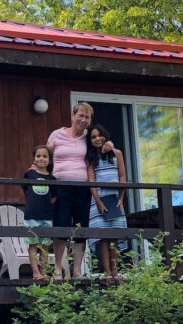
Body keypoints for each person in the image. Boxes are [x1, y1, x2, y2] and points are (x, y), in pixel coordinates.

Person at [46, 102, 95, 279]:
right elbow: (45, 156)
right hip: (61, 185)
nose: (83, 119)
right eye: (80, 115)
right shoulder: (56, 135)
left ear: (90, 120)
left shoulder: (88, 137)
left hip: (82, 187)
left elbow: (103, 142)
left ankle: (77, 271)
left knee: (80, 227)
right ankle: (58, 269)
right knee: (61, 225)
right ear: (72, 116)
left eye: (87, 116)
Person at [87, 125, 128, 279]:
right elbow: (92, 181)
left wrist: (121, 198)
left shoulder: (116, 153)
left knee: (114, 236)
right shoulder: (91, 159)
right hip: (98, 200)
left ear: (105, 136)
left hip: (115, 199)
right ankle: (107, 272)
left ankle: (115, 272)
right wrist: (97, 201)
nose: (97, 139)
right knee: (103, 237)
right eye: (93, 137)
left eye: (99, 136)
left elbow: (122, 176)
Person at [21, 145, 56, 280]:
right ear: (34, 158)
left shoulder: (52, 179)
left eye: (45, 156)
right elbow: (24, 189)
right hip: (32, 215)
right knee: (33, 244)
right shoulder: (29, 174)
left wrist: (45, 204)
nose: (41, 158)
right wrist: (31, 202)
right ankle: (35, 273)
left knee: (45, 246)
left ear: (49, 160)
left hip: (46, 215)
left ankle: (44, 272)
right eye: (38, 156)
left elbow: (54, 196)